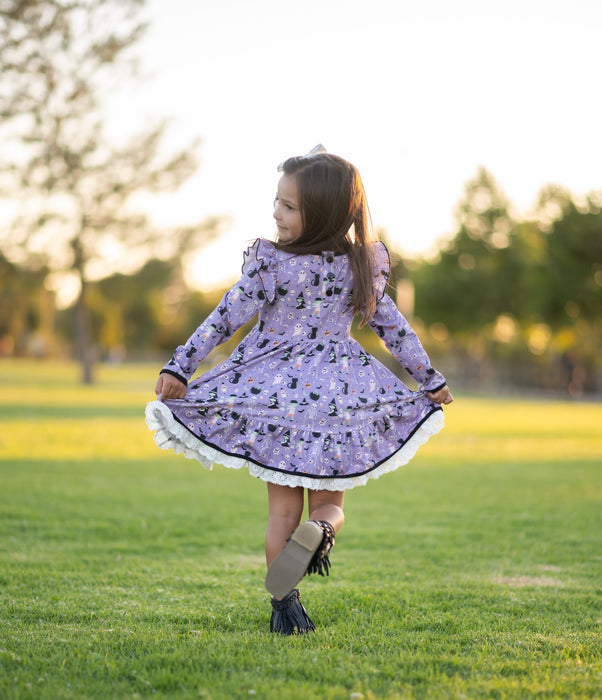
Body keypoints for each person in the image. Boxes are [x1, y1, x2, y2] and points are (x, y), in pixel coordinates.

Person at [146, 146, 453, 635]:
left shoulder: (271, 264)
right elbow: (394, 328)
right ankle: (324, 530)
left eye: (288, 206)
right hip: (338, 399)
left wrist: (180, 366)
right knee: (330, 504)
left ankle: (285, 605)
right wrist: (428, 377)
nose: (275, 213)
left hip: (276, 398)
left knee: (281, 513)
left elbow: (224, 319)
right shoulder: (359, 265)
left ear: (322, 214)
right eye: (276, 201)